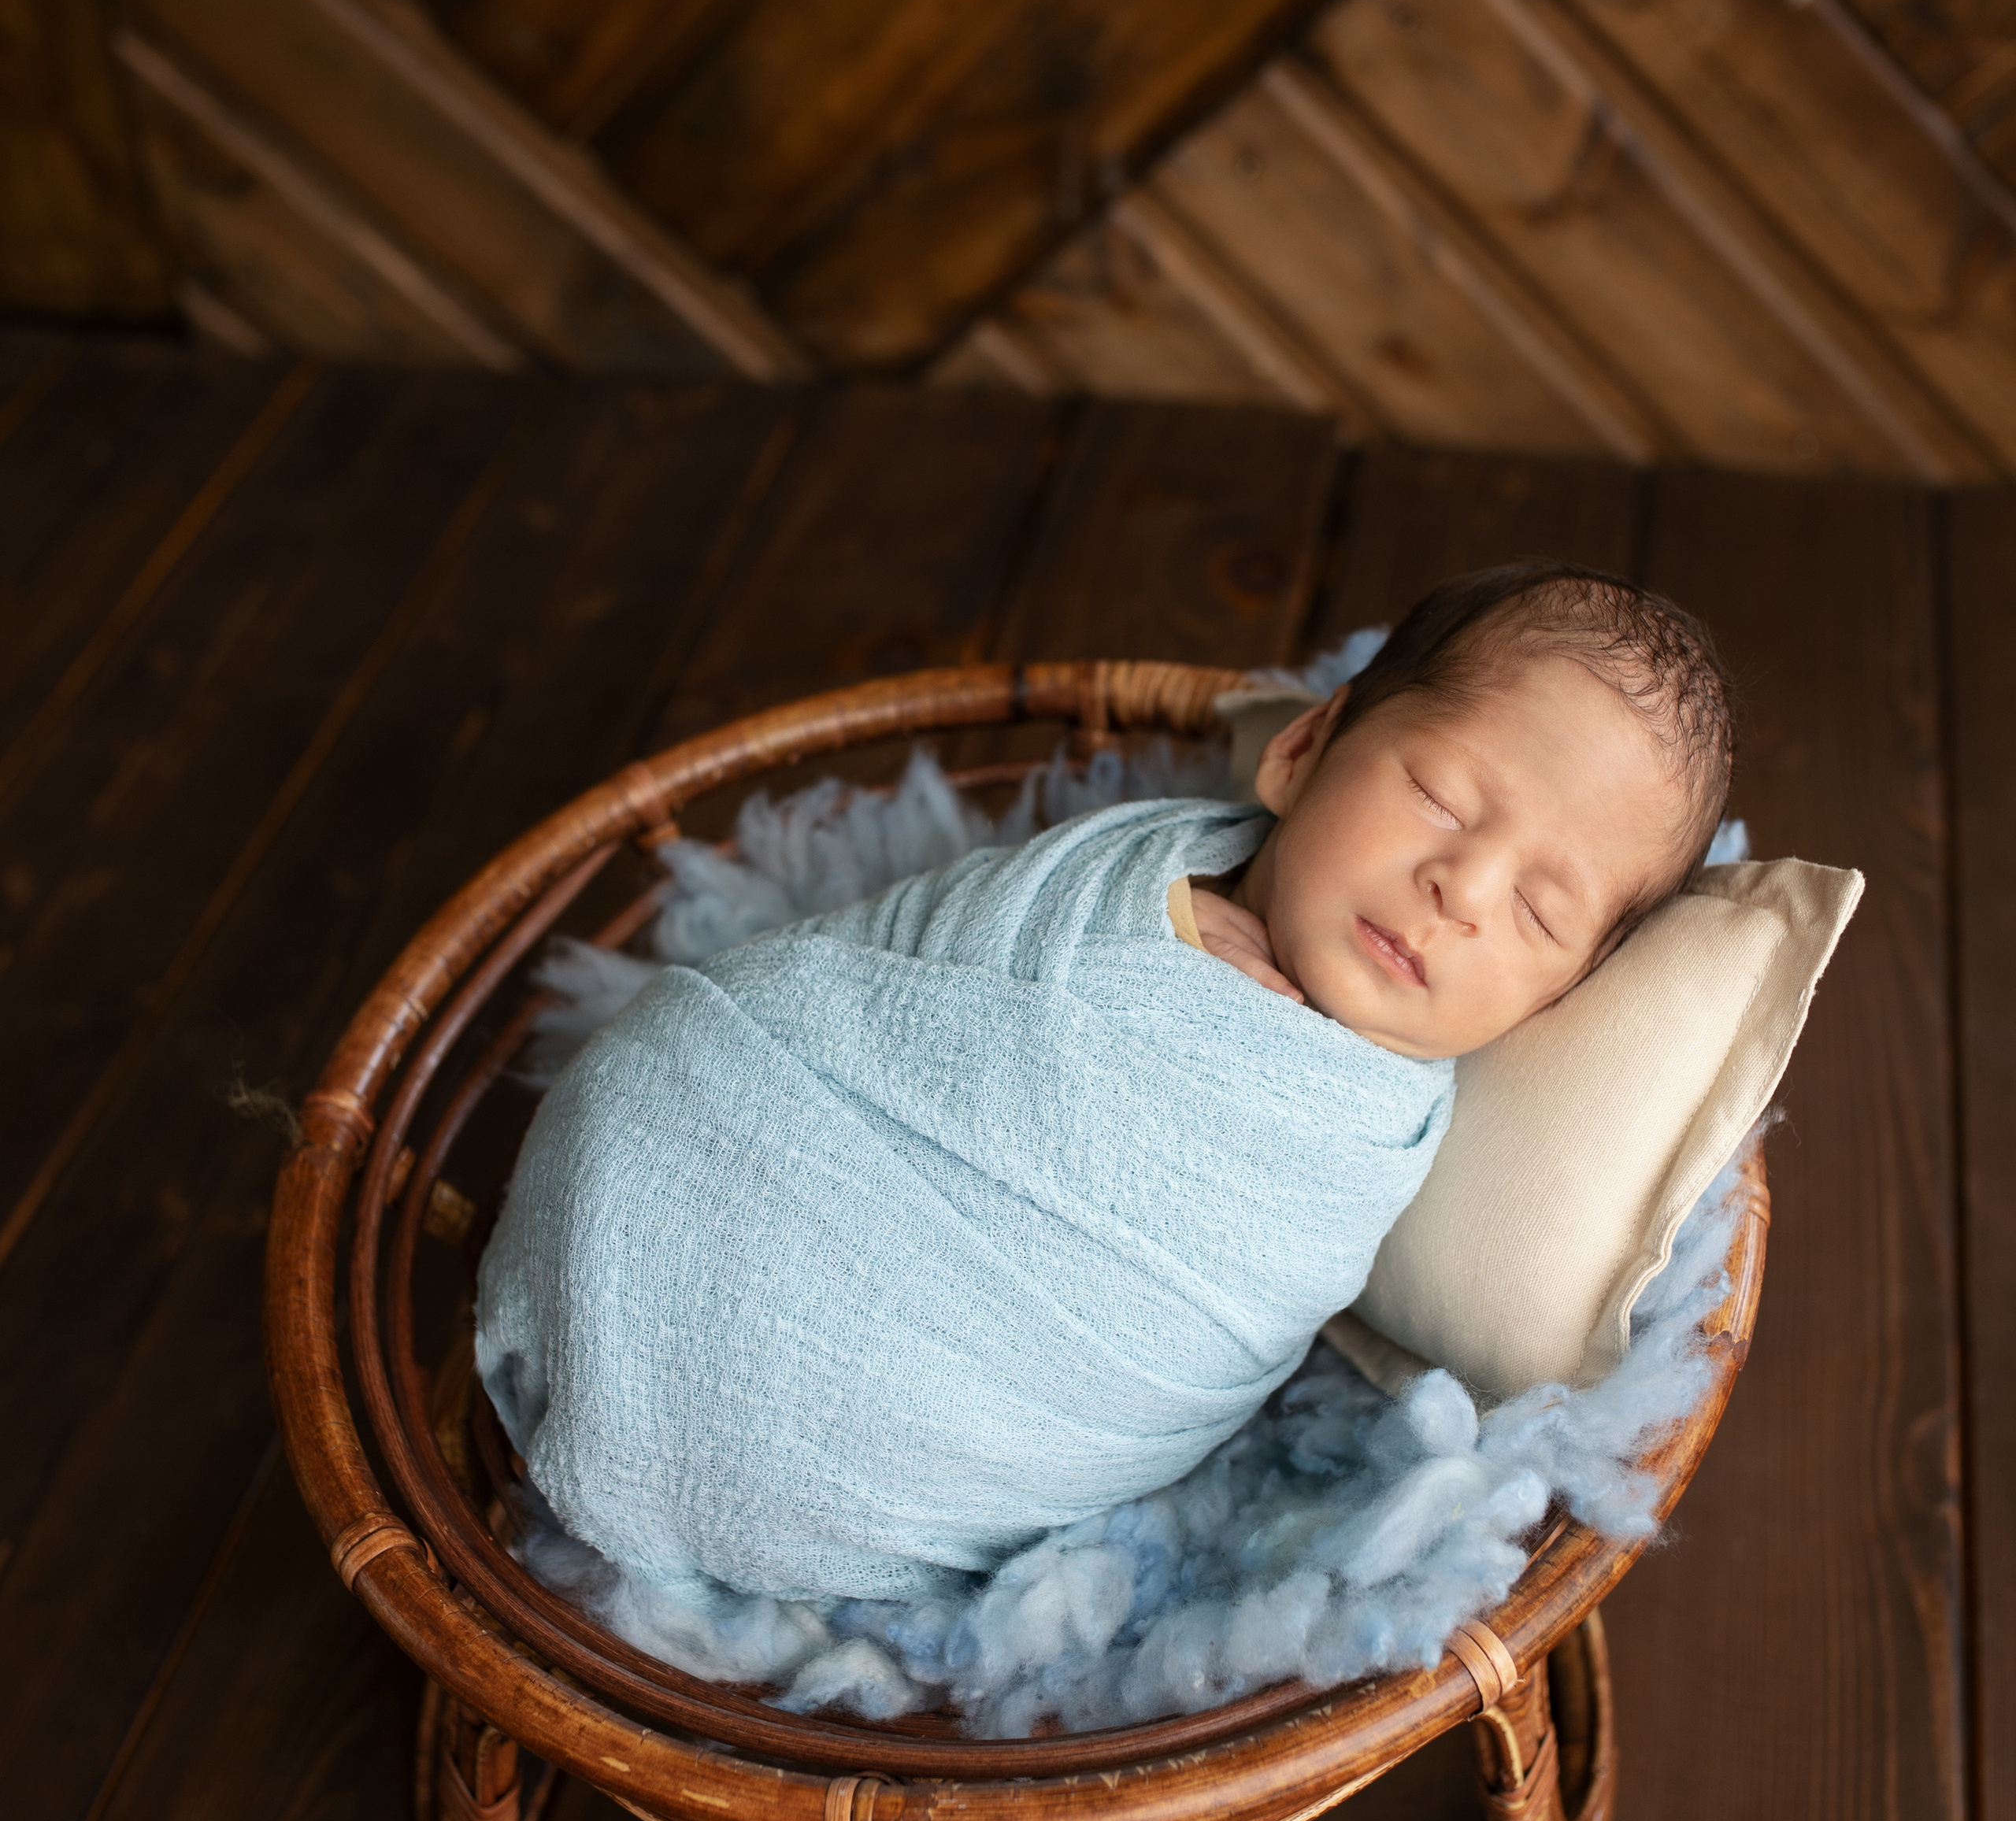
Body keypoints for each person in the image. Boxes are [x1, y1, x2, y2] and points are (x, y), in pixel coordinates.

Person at [476, 562, 1734, 1625]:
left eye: (1537, 908)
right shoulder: (1134, 864)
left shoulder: (1356, 1137)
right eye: (1441, 796)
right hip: (711, 1134)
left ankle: (714, 1450)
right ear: (1302, 748)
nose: (1462, 885)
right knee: (655, 1079)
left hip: (928, 1411)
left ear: (1559, 997)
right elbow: (891, 965)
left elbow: (1201, 1320)